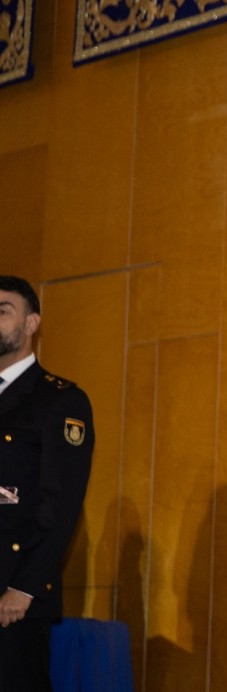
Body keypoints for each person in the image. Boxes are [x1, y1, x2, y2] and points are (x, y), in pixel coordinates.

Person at [0, 276, 95, 692]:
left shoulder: (59, 400)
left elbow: (60, 504)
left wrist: (24, 588)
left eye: (3, 311)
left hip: (12, 596)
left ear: (32, 324)